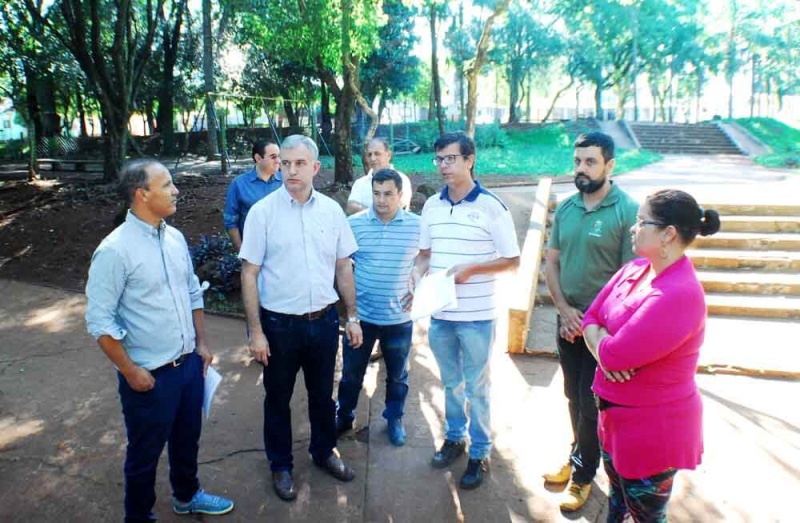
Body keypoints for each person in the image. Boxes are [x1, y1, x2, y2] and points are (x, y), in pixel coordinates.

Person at [85, 159, 234, 522]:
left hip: (188, 366)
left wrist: (201, 343)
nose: (176, 190)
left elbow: (191, 292)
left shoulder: (174, 237)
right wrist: (130, 370)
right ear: (142, 194)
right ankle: (138, 516)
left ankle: (187, 495)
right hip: (150, 376)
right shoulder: (114, 250)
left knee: (187, 440)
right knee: (144, 454)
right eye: (167, 185)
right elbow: (99, 322)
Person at [581, 190, 720, 523]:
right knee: (617, 505)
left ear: (668, 234)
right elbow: (589, 318)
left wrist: (603, 348)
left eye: (642, 221)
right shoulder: (636, 269)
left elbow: (614, 354)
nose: (633, 227)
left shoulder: (679, 294)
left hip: (651, 433)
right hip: (615, 421)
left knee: (645, 516)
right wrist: (603, 348)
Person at [239, 134, 363, 502]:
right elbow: (249, 273)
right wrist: (256, 332)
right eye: (285, 163)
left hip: (324, 322)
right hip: (279, 326)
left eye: (299, 163)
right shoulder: (263, 213)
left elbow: (344, 266)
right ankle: (280, 465)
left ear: (315, 167)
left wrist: (352, 316)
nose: (291, 170)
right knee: (277, 398)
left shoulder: (331, 211)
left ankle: (324, 451)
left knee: (322, 396)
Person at [412, 132, 520, 490]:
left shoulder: (492, 206)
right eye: (438, 159)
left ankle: (480, 452)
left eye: (450, 159)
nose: (443, 166)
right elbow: (425, 254)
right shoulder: (432, 206)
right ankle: (455, 438)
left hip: (476, 316)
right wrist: (416, 275)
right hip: (440, 315)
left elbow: (512, 261)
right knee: (451, 383)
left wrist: (473, 269)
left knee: (477, 387)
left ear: (470, 159)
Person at [543, 132, 639, 511]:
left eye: (590, 162)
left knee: (589, 401)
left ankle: (583, 475)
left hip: (603, 330)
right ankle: (578, 454)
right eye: (578, 161)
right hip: (568, 321)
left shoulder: (626, 210)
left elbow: (631, 277)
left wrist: (592, 322)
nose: (581, 169)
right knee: (572, 395)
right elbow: (552, 262)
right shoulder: (566, 209)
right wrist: (565, 310)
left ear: (609, 165)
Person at [336, 168, 421, 446]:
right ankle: (345, 414)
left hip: (399, 319)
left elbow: (429, 258)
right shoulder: (355, 224)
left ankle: (394, 418)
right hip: (362, 318)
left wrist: (418, 281)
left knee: (397, 377)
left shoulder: (417, 226)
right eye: (376, 193)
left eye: (388, 194)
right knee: (351, 374)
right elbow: (342, 266)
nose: (381, 200)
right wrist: (350, 314)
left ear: (400, 195)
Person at [223, 139, 282, 251]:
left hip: (282, 250)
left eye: (279, 156)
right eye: (273, 157)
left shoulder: (285, 182)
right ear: (258, 158)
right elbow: (230, 221)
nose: (278, 161)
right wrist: (241, 251)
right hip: (253, 250)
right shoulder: (239, 184)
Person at [347, 137, 412, 215]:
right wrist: (377, 214)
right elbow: (350, 208)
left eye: (377, 154)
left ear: (389, 155)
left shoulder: (402, 179)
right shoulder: (360, 183)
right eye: (369, 154)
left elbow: (396, 208)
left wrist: (366, 213)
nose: (372, 158)